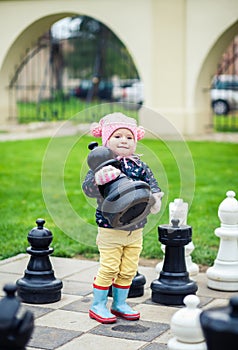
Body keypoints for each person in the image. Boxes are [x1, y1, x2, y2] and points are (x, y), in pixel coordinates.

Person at [83, 112, 163, 324]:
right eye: (118, 136)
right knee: (109, 267)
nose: (124, 141)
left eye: (129, 137)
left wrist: (155, 197)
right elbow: (88, 189)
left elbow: (152, 183)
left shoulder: (140, 166)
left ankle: (119, 303)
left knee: (128, 269)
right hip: (110, 228)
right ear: (107, 141)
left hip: (136, 228)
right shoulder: (102, 164)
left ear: (135, 142)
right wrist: (98, 180)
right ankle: (98, 304)